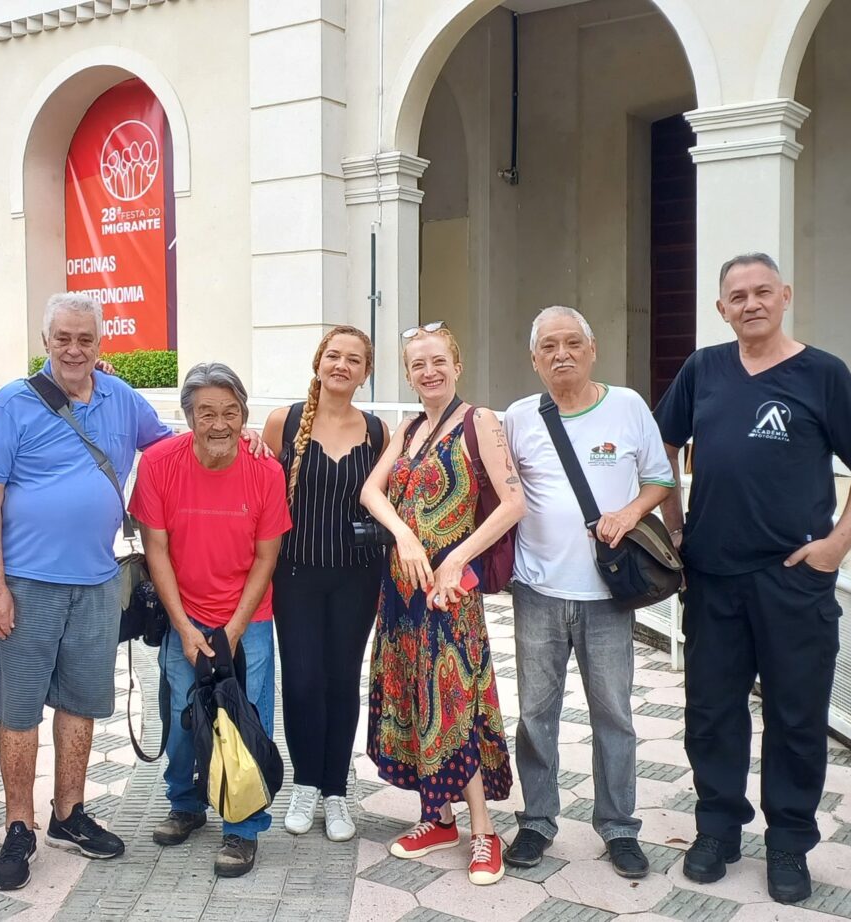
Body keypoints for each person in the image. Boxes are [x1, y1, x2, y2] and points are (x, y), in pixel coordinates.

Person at [655, 253, 851, 904]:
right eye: (737, 295)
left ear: (784, 295)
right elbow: (660, 448)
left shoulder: (822, 374)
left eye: (762, 291)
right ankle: (717, 831)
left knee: (796, 714)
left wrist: (837, 545)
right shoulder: (704, 370)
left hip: (793, 579)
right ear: (721, 308)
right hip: (712, 574)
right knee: (712, 712)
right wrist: (675, 527)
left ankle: (789, 845)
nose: (750, 303)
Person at [0, 292, 172, 891]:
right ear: (46, 341)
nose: (75, 349)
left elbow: (166, 448)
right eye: (64, 338)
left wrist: (238, 441)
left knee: (80, 703)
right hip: (26, 584)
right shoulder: (14, 402)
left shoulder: (121, 398)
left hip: (98, 580)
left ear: (100, 344)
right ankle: (18, 825)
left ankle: (69, 812)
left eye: (86, 339)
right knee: (21, 708)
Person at [500, 306, 674, 877]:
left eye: (572, 343)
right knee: (535, 714)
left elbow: (659, 479)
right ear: (534, 359)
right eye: (548, 346)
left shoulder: (627, 408)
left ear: (592, 349)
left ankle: (620, 828)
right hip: (537, 591)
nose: (561, 354)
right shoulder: (519, 418)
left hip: (606, 594)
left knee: (614, 716)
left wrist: (628, 512)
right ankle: (536, 822)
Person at [359, 321, 525, 886]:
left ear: (455, 363)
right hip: (401, 591)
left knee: (455, 702)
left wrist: (459, 558)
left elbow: (513, 503)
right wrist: (404, 535)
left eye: (437, 362)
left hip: (448, 593)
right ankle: (439, 818)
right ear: (407, 374)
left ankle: (484, 831)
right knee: (414, 696)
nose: (428, 373)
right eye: (417, 365)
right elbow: (370, 492)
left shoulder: (480, 421)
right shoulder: (406, 429)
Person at [131, 362, 289, 878]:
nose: (219, 424)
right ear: (188, 418)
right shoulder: (159, 463)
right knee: (183, 713)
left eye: (230, 413)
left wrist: (235, 629)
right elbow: (156, 550)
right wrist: (184, 626)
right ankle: (185, 803)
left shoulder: (265, 468)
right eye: (206, 413)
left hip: (249, 617)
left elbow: (267, 557)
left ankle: (243, 830)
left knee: (248, 719)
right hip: (186, 614)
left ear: (244, 416)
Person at [258, 325, 385, 842]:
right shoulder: (283, 422)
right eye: (334, 355)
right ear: (318, 361)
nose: (342, 365)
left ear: (365, 372)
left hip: (357, 576)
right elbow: (261, 493)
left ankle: (336, 792)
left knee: (340, 680)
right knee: (304, 680)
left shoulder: (378, 431)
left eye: (353, 360)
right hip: (296, 574)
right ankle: (305, 783)